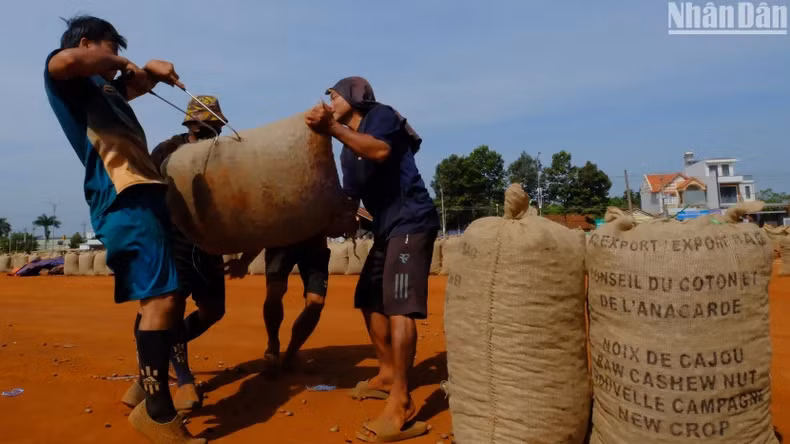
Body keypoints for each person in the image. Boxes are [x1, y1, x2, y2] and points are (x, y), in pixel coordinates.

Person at [44, 16, 204, 444]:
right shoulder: (68, 76)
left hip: (145, 194)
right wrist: (124, 59)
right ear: (89, 43)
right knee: (163, 298)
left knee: (163, 298)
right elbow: (64, 61)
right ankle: (157, 412)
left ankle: (144, 386)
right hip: (122, 194)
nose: (114, 61)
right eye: (109, 47)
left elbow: (136, 84)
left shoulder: (105, 90)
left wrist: (153, 73)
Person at [305, 77, 440, 442]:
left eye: (332, 94)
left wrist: (330, 127)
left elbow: (379, 151)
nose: (329, 100)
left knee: (400, 307)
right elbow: (351, 199)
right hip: (386, 228)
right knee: (368, 298)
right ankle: (386, 374)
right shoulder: (347, 150)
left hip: (411, 221)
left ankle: (402, 403)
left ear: (353, 96)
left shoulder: (380, 116)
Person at [121, 96, 229, 412]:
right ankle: (183, 379)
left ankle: (150, 364)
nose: (217, 130)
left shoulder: (224, 154)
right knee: (170, 308)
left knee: (213, 310)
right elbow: (144, 190)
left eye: (219, 126)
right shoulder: (168, 150)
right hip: (172, 239)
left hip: (207, 243)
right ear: (194, 124)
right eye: (212, 125)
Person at [226, 235, 331, 374]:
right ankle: (273, 344)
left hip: (314, 244)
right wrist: (245, 261)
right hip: (279, 244)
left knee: (316, 302)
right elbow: (266, 226)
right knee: (274, 293)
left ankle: (291, 353)